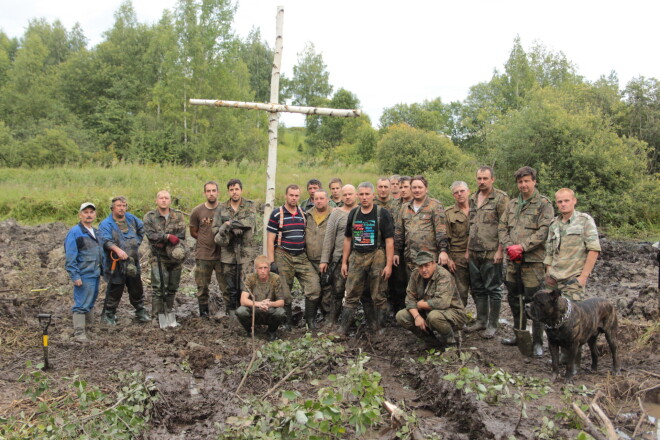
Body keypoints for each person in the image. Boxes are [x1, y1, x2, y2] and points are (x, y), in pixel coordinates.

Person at [499, 166, 554, 357]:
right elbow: (502, 227)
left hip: (532, 262)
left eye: (527, 181)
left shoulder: (544, 204)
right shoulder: (512, 204)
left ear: (534, 181)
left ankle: (538, 341)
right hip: (513, 262)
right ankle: (519, 335)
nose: (523, 185)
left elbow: (543, 231)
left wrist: (522, 247)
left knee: (536, 301)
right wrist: (509, 247)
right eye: (520, 182)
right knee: (515, 300)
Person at [340, 182, 394, 334]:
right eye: (361, 194)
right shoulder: (354, 213)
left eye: (367, 194)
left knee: (379, 294)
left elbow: (389, 241)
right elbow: (347, 239)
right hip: (357, 256)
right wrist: (344, 262)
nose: (364, 197)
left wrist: (388, 265)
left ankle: (380, 328)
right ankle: (343, 329)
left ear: (373, 196)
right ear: (358, 196)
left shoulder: (382, 213)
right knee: (351, 293)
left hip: (377, 255)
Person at [267, 184, 321, 329]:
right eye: (291, 195)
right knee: (285, 291)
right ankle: (287, 322)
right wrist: (271, 262)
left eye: (296, 195)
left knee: (314, 286)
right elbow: (270, 239)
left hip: (301, 256)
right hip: (283, 254)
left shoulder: (303, 213)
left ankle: (310, 320)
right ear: (286, 195)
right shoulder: (277, 214)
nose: (294, 198)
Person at [465, 166, 509, 338]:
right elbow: (471, 225)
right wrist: (468, 249)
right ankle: (481, 320)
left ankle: (493, 324)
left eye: (485, 178)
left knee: (494, 289)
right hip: (474, 251)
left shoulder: (501, 198)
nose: (481, 182)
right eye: (479, 178)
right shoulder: (473, 199)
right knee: (478, 288)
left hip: (492, 252)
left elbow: (504, 226)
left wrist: (500, 250)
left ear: (492, 179)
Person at [395, 251, 466, 349]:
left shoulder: (443, 275)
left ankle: (451, 344)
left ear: (434, 263)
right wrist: (417, 317)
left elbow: (442, 303)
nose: (424, 270)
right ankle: (431, 342)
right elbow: (409, 299)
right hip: (428, 311)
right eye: (420, 266)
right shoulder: (415, 274)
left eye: (427, 265)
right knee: (401, 316)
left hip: (453, 313)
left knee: (434, 316)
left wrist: (420, 305)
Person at [99, 196, 150, 325]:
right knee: (115, 288)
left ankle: (140, 310)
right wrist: (117, 250)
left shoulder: (131, 219)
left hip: (132, 261)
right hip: (115, 262)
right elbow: (105, 241)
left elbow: (141, 229)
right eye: (119, 206)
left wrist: (137, 242)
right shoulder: (106, 224)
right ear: (112, 208)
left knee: (136, 287)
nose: (122, 208)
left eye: (124, 205)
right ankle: (109, 313)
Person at [544, 188, 601, 301]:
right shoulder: (553, 224)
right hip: (553, 280)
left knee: (572, 316)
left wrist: (583, 277)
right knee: (550, 315)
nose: (563, 204)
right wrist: (548, 272)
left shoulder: (585, 221)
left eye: (566, 200)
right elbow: (549, 252)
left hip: (572, 280)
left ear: (574, 201)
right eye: (560, 202)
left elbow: (594, 250)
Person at [212, 179, 256, 316]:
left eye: (237, 189)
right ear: (228, 192)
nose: (234, 192)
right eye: (231, 190)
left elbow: (250, 222)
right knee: (230, 287)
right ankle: (231, 313)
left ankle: (245, 313)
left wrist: (230, 224)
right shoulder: (221, 208)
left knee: (246, 285)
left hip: (246, 253)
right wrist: (226, 227)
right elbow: (215, 229)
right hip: (228, 253)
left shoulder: (249, 205)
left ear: (241, 190)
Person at [143, 190, 187, 324]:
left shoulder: (178, 216)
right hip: (158, 256)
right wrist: (166, 237)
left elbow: (181, 235)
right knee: (159, 287)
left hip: (175, 256)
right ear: (157, 200)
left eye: (166, 198)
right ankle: (156, 317)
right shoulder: (149, 217)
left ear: (170, 201)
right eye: (161, 198)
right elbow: (151, 236)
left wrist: (163, 240)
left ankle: (168, 313)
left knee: (172, 287)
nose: (163, 200)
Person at [394, 175, 449, 276]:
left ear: (426, 189)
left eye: (420, 187)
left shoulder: (435, 205)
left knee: (430, 289)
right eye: (414, 187)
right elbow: (399, 232)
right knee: (413, 289)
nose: (417, 190)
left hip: (429, 259)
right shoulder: (405, 207)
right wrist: (396, 252)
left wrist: (443, 251)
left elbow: (441, 231)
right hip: (411, 259)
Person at [64, 202, 104, 342]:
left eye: (91, 212)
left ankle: (89, 328)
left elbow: (100, 253)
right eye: (85, 212)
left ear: (95, 215)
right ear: (80, 215)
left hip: (94, 273)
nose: (88, 215)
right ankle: (79, 333)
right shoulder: (75, 232)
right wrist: (75, 275)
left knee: (91, 301)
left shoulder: (96, 232)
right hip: (84, 274)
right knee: (81, 304)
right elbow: (70, 256)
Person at [320, 184, 358, 326]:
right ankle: (332, 320)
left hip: (358, 258)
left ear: (356, 195)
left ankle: (350, 321)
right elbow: (329, 237)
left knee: (356, 292)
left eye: (350, 194)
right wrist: (324, 259)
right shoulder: (336, 213)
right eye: (345, 194)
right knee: (337, 290)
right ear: (341, 196)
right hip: (339, 257)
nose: (348, 197)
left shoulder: (362, 211)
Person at [189, 181, 223, 318]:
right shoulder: (197, 211)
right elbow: (193, 231)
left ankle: (229, 313)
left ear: (218, 192)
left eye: (213, 190)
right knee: (202, 287)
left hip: (222, 255)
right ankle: (203, 313)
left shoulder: (224, 209)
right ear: (204, 193)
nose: (211, 193)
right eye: (208, 191)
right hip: (203, 254)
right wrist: (205, 240)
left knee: (226, 287)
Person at [303, 189, 334, 329]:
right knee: (312, 288)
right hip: (309, 259)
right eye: (316, 198)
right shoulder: (307, 215)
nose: (319, 201)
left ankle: (328, 317)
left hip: (328, 259)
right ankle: (311, 319)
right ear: (313, 200)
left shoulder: (334, 214)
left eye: (322, 198)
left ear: (327, 199)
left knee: (328, 289)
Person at [236, 256, 287, 341]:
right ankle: (250, 332)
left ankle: (271, 332)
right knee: (241, 311)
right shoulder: (250, 278)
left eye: (265, 268)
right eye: (260, 268)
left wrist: (270, 304)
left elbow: (281, 302)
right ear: (256, 268)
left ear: (269, 268)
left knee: (280, 312)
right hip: (254, 311)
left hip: (269, 310)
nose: (263, 271)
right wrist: (258, 304)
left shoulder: (276, 278)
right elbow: (243, 300)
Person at [387, 175, 412, 314]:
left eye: (405, 187)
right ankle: (399, 309)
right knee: (398, 281)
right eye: (400, 187)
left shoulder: (417, 204)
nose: (402, 190)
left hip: (413, 249)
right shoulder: (394, 205)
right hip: (397, 249)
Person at [445, 181, 471, 306]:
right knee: (461, 291)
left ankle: (482, 320)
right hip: (457, 256)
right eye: (456, 192)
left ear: (468, 191)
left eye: (462, 191)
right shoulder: (448, 213)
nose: (460, 194)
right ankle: (460, 318)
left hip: (478, 254)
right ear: (453, 195)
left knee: (480, 289)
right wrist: (449, 258)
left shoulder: (479, 209)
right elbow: (445, 238)